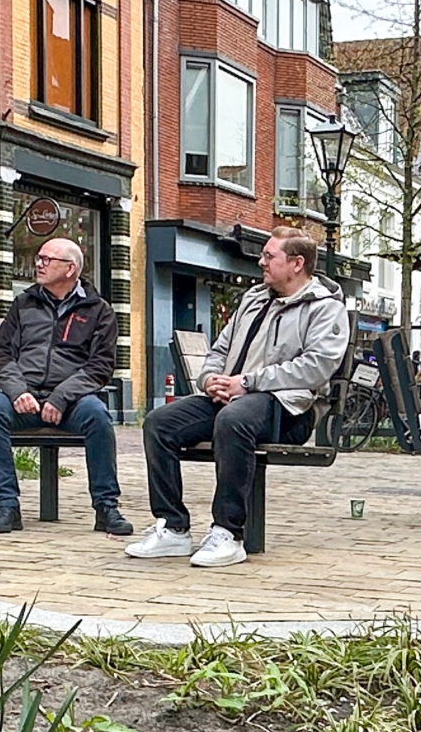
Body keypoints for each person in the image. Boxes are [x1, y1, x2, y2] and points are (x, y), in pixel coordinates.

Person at [129, 228, 349, 569]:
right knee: (160, 423)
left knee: (235, 420)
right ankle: (173, 527)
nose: (261, 262)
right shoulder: (253, 298)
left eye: (269, 256)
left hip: (289, 409)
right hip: (234, 397)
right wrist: (210, 380)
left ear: (297, 263)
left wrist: (247, 382)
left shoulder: (325, 308)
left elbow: (316, 367)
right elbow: (219, 349)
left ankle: (228, 533)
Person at [0, 237, 131, 535]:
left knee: (98, 417)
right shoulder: (23, 304)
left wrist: (61, 397)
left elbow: (100, 367)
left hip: (74, 403)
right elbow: (3, 355)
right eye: (39, 258)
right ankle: (7, 506)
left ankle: (106, 507)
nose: (39, 264)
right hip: (26, 400)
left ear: (70, 268)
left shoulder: (99, 310)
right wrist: (17, 391)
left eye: (48, 259)